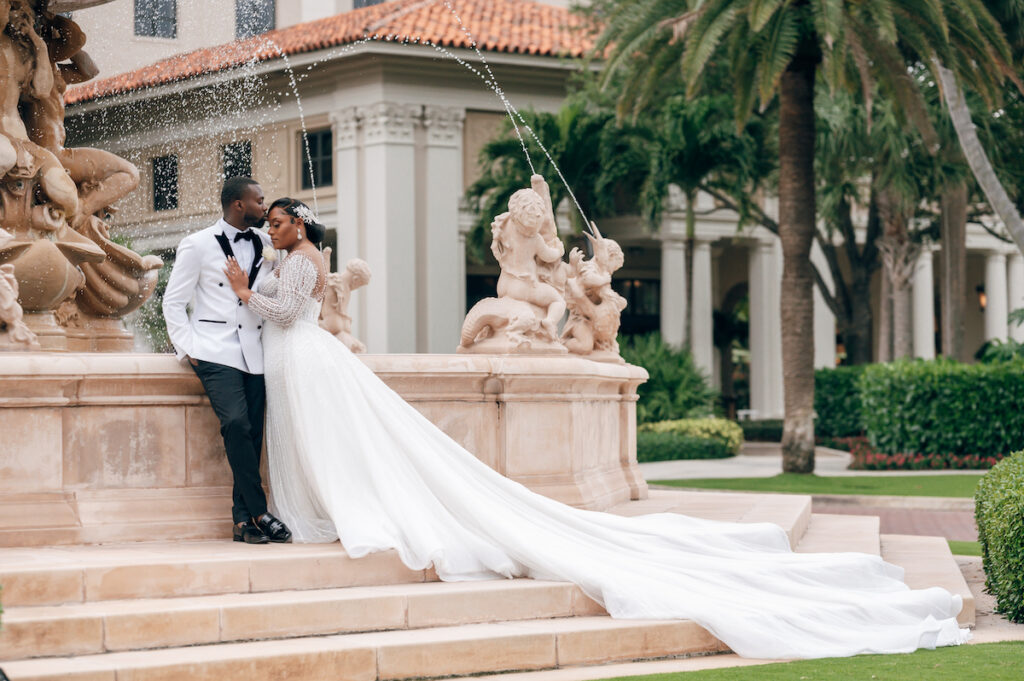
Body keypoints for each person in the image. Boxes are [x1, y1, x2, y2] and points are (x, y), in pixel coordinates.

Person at [223, 198, 968, 659]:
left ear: (300, 223)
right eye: (272, 218)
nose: (276, 224)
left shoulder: (302, 259)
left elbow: (287, 312)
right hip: (297, 361)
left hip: (303, 354)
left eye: (282, 217)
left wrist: (242, 290)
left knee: (327, 437)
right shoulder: (295, 254)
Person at [163, 177, 291, 545]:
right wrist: (188, 349)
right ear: (239, 204)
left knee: (252, 435)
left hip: (256, 351)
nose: (265, 208)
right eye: (259, 201)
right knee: (235, 423)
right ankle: (260, 511)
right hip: (213, 350)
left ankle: (243, 522)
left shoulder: (268, 244)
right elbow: (173, 302)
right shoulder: (197, 244)